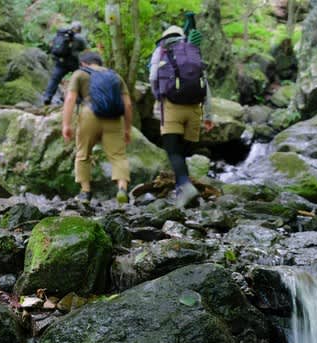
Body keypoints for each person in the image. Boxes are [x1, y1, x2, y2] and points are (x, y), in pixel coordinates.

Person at [149, 25, 214, 208]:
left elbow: (154, 76)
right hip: (194, 108)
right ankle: (183, 193)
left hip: (172, 106)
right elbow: (205, 84)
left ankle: (185, 185)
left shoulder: (162, 50)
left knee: (172, 150)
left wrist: (158, 97)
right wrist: (208, 115)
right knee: (183, 152)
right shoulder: (192, 51)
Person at [62, 51, 133, 203]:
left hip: (89, 114)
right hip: (113, 118)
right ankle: (122, 189)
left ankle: (85, 192)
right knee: (118, 155)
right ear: (99, 63)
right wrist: (127, 128)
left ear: (83, 63)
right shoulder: (115, 76)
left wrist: (66, 124)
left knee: (83, 153)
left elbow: (70, 99)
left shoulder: (80, 74)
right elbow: (127, 104)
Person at [43, 21, 88, 105]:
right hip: (74, 62)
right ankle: (80, 98)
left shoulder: (61, 35)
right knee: (80, 78)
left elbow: (52, 45)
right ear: (80, 29)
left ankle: (47, 97)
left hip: (61, 61)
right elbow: (85, 50)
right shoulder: (80, 38)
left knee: (55, 79)